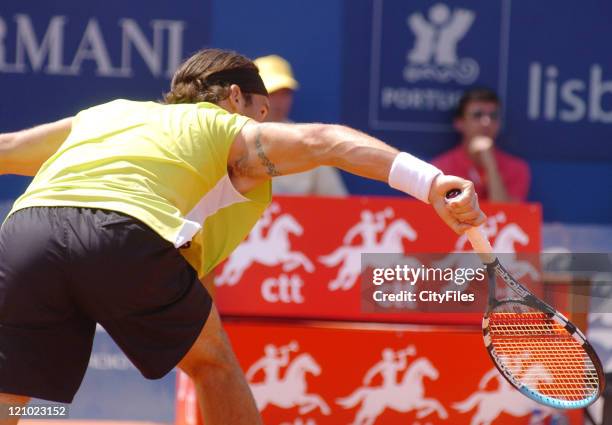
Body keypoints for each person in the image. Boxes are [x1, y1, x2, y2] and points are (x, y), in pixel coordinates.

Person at [0, 48, 484, 425]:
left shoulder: (109, 115)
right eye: (263, 111)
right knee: (215, 367)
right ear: (236, 98)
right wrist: (430, 183)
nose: (264, 123)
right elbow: (327, 143)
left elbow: (7, 149)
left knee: (11, 390)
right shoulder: (227, 128)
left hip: (24, 235)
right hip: (121, 231)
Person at [254, 54, 348, 196]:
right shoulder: (230, 140)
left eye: (285, 93)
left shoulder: (310, 143)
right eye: (271, 93)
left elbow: (339, 205)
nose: (278, 101)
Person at [432, 87, 530, 202]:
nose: (486, 122)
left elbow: (506, 215)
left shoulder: (517, 169)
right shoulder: (440, 168)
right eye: (477, 115)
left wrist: (490, 165)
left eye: (493, 116)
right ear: (459, 122)